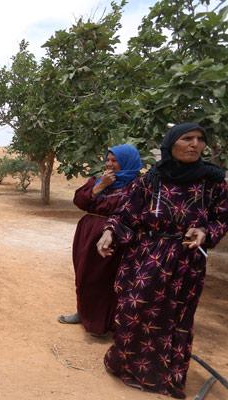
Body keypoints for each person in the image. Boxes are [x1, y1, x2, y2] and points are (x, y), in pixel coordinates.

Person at [97, 123, 228, 398]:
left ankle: (166, 376)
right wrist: (109, 232)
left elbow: (221, 218)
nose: (195, 144)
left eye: (200, 140)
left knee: (174, 316)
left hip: (185, 261)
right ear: (171, 144)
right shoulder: (151, 179)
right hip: (145, 255)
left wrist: (205, 231)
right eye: (187, 138)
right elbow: (125, 214)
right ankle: (126, 366)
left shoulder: (214, 182)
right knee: (134, 308)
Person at [58, 144, 142, 336]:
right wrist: (100, 186)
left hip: (116, 235)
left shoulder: (137, 186)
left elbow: (133, 213)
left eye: (115, 161)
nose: (110, 164)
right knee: (84, 274)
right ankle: (83, 312)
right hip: (87, 233)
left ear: (127, 162)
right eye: (108, 159)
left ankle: (102, 322)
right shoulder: (98, 180)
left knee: (106, 279)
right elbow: (80, 201)